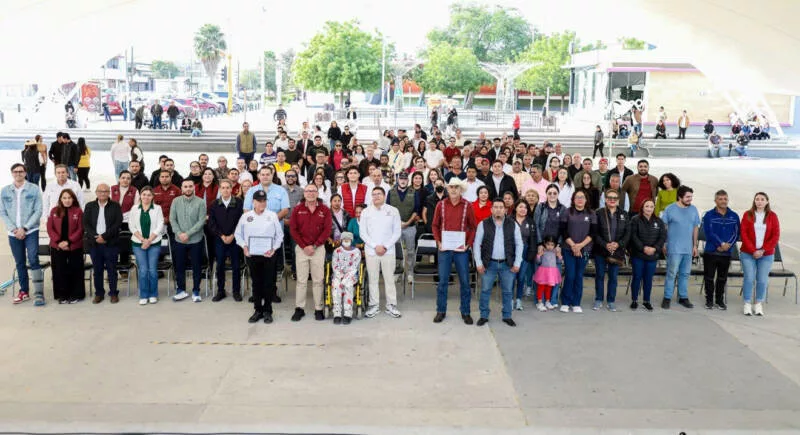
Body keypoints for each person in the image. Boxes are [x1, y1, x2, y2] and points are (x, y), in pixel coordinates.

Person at [432, 178, 478, 324]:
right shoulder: (441, 205)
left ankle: (465, 311)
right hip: (444, 249)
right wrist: (438, 241)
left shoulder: (467, 206)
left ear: (461, 190)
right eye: (451, 187)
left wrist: (468, 244)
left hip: (461, 250)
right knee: (443, 281)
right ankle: (441, 310)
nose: (453, 189)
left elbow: (473, 226)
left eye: (456, 187)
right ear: (448, 189)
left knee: (465, 281)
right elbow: (434, 225)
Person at [235, 190, 284, 324]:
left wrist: (274, 248)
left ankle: (268, 311)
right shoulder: (246, 216)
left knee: (268, 283)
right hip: (252, 254)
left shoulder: (272, 215)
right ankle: (258, 310)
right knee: (256, 283)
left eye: (264, 201)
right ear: (253, 202)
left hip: (269, 255)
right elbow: (238, 234)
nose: (262, 203)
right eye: (259, 201)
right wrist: (244, 246)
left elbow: (279, 235)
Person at [474, 198, 522, 327]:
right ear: (491, 209)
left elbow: (519, 244)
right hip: (489, 264)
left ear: (505, 210)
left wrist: (517, 262)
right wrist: (479, 263)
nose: (498, 209)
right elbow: (476, 244)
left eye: (501, 207)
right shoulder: (483, 224)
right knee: (485, 290)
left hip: (507, 264)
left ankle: (507, 315)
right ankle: (484, 315)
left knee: (507, 291)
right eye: (495, 207)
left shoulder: (513, 224)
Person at [1, 164, 45, 305]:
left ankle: (39, 294)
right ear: (12, 173)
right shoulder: (5, 191)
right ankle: (24, 291)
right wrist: (14, 229)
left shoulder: (34, 189)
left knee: (33, 259)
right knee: (20, 262)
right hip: (13, 233)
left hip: (31, 231)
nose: (18, 174)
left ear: (25, 173)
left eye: (21, 171)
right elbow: (3, 212)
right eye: (15, 171)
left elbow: (38, 211)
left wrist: (24, 228)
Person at [289, 184, 332, 321]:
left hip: (318, 249)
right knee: (301, 280)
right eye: (308, 191)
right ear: (304, 193)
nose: (311, 193)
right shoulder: (297, 209)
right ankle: (299, 308)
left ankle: (318, 308)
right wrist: (304, 246)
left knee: (318, 280)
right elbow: (293, 230)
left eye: (313, 191)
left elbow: (327, 230)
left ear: (317, 193)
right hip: (302, 249)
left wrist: (314, 245)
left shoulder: (325, 210)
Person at [360, 186, 403, 318]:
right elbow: (363, 233)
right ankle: (374, 305)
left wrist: (385, 246)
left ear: (384, 196)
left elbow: (397, 232)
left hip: (388, 251)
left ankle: (391, 305)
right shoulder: (365, 212)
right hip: (371, 251)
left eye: (379, 194)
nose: (376, 196)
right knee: (372, 279)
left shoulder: (393, 211)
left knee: (389, 278)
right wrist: (375, 246)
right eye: (374, 194)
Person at [740, 192, 780, 316]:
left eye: (762, 199)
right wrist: (753, 250)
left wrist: (762, 250)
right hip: (748, 253)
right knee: (749, 278)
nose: (759, 201)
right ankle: (747, 304)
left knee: (762, 280)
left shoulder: (772, 216)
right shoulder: (748, 214)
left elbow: (775, 235)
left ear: (767, 201)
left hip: (766, 255)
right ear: (754, 201)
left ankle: (758, 304)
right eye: (757, 199)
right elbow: (744, 234)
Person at [661, 185, 700, 309]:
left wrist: (695, 245)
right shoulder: (670, 209)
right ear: (680, 197)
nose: (690, 199)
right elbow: (664, 228)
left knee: (685, 274)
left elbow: (695, 228)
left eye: (691, 197)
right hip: (674, 248)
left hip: (688, 248)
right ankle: (667, 297)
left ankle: (683, 297)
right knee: (671, 273)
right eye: (688, 197)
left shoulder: (693, 209)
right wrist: (664, 243)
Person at [83, 183, 123, 304]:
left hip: (110, 243)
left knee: (112, 270)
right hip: (95, 244)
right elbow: (86, 224)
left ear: (109, 193)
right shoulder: (89, 206)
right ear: (96, 192)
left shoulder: (115, 206)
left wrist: (104, 236)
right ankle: (99, 293)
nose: (103, 193)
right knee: (98, 270)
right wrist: (96, 237)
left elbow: (117, 223)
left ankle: (113, 293)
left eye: (105, 191)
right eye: (100, 191)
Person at [700, 190, 739, 310]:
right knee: (709, 277)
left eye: (725, 199)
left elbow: (736, 233)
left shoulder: (734, 216)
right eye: (720, 199)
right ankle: (709, 301)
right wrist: (720, 243)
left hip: (726, 253)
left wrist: (728, 245)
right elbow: (708, 232)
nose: (723, 201)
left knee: (722, 278)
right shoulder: (708, 215)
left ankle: (719, 300)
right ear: (715, 200)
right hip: (711, 251)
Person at [46, 187, 85, 306]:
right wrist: (59, 242)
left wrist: (68, 242)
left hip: (74, 246)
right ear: (60, 199)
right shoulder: (54, 211)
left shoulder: (78, 211)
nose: (67, 200)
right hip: (57, 246)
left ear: (73, 199)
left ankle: (76, 294)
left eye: (69, 198)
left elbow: (80, 229)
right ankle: (62, 294)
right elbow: (50, 228)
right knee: (59, 270)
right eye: (64, 198)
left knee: (75, 270)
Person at [170, 179, 207, 303]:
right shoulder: (175, 201)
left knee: (196, 266)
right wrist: (180, 233)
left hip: (196, 240)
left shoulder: (201, 202)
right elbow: (172, 219)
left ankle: (196, 291)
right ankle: (181, 290)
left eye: (190, 186)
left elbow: (201, 221)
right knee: (179, 266)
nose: (188, 188)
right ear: (181, 188)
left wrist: (188, 234)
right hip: (179, 240)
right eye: (185, 186)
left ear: (194, 188)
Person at [559, 189, 596, 313]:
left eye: (582, 197)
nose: (580, 199)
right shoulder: (567, 212)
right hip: (568, 248)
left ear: (586, 200)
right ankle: (565, 301)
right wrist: (573, 246)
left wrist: (580, 246)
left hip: (584, 249)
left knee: (579, 276)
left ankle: (576, 303)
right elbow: (563, 231)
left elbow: (593, 233)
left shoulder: (591, 213)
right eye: (577, 197)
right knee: (570, 275)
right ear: (573, 200)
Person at [593, 189, 630, 312]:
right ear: (606, 199)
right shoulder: (598, 213)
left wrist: (618, 244)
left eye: (615, 198)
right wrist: (605, 244)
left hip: (616, 251)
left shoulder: (624, 214)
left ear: (618, 200)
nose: (612, 200)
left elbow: (627, 233)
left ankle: (611, 301)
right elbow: (594, 233)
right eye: (609, 197)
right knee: (599, 276)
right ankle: (598, 299)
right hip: (601, 250)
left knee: (613, 277)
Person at [209, 179, 244, 302]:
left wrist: (233, 235)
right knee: (220, 266)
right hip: (220, 239)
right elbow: (212, 223)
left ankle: (236, 291)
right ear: (220, 189)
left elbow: (241, 221)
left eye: (227, 187)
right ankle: (220, 291)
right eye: (223, 188)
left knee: (236, 266)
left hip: (235, 239)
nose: (225, 190)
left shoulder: (239, 203)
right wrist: (222, 235)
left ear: (231, 189)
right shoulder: (214, 204)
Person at [532, 184, 566, 308]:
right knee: (540, 276)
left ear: (558, 194)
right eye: (549, 193)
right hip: (543, 246)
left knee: (555, 275)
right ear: (546, 194)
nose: (552, 195)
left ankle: (552, 300)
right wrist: (540, 244)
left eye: (554, 193)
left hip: (555, 247)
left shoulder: (562, 209)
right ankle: (539, 301)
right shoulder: (540, 207)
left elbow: (564, 229)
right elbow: (535, 225)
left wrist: (559, 245)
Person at [628, 198, 665, 311]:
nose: (649, 208)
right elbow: (633, 236)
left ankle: (646, 301)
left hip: (652, 255)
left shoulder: (659, 221)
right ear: (642, 207)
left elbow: (662, 237)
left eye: (651, 206)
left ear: (654, 208)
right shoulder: (635, 220)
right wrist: (643, 248)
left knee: (648, 279)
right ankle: (634, 300)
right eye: (646, 206)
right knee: (637, 277)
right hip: (638, 254)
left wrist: (654, 248)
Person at [129, 186, 164, 305]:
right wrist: (143, 240)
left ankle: (153, 294)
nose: (146, 197)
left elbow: (160, 225)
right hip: (138, 244)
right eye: (144, 194)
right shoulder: (134, 208)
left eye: (149, 195)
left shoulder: (157, 208)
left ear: (152, 197)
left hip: (154, 243)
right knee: (143, 270)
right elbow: (131, 226)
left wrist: (149, 240)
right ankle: (144, 295)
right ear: (140, 196)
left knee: (152, 270)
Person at [386, 172, 421, 283]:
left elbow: (416, 210)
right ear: (397, 180)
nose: (403, 180)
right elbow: (387, 210)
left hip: (410, 226)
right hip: (395, 228)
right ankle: (398, 272)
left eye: (405, 179)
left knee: (410, 251)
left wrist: (408, 222)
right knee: (396, 251)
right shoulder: (391, 193)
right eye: (401, 178)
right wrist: (397, 223)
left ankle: (410, 273)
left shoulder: (413, 192)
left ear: (408, 180)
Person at [330, 231, 360, 325]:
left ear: (351, 240)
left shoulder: (356, 252)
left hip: (351, 276)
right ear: (341, 240)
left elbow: (355, 267)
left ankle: (348, 313)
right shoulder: (337, 251)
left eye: (348, 240)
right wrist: (340, 276)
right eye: (344, 240)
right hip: (338, 275)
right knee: (336, 286)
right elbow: (334, 265)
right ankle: (337, 313)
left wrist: (346, 278)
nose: (346, 241)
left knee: (348, 286)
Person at [511, 199, 535, 310]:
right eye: (520, 207)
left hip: (525, 252)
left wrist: (530, 255)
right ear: (515, 208)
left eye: (525, 207)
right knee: (511, 277)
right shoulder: (509, 220)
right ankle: (510, 300)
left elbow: (533, 240)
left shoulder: (530, 222)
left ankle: (519, 300)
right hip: (511, 252)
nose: (523, 209)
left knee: (521, 278)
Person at [534, 235, 562, 311]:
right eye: (548, 244)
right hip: (543, 272)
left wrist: (559, 256)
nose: (550, 246)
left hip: (552, 272)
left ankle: (547, 301)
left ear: (555, 245)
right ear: (545, 243)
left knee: (549, 288)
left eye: (552, 245)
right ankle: (539, 303)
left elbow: (559, 262)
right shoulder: (543, 251)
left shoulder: (555, 252)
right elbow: (538, 262)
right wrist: (539, 256)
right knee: (541, 287)